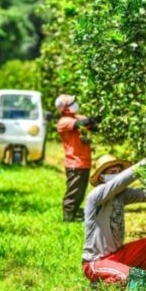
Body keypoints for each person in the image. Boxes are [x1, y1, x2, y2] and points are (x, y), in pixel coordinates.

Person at [82, 147, 146, 286]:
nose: (117, 175)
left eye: (119, 172)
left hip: (117, 256)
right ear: (102, 177)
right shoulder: (96, 196)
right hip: (95, 262)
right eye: (112, 172)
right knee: (126, 277)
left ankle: (137, 282)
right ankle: (99, 288)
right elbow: (120, 181)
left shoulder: (121, 195)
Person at [55, 94, 101, 222]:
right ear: (65, 108)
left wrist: (96, 122)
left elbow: (93, 126)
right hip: (75, 162)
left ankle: (74, 214)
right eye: (72, 103)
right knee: (74, 191)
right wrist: (92, 120)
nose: (76, 104)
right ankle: (68, 216)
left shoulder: (77, 117)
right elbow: (81, 123)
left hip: (84, 161)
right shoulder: (63, 121)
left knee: (80, 191)